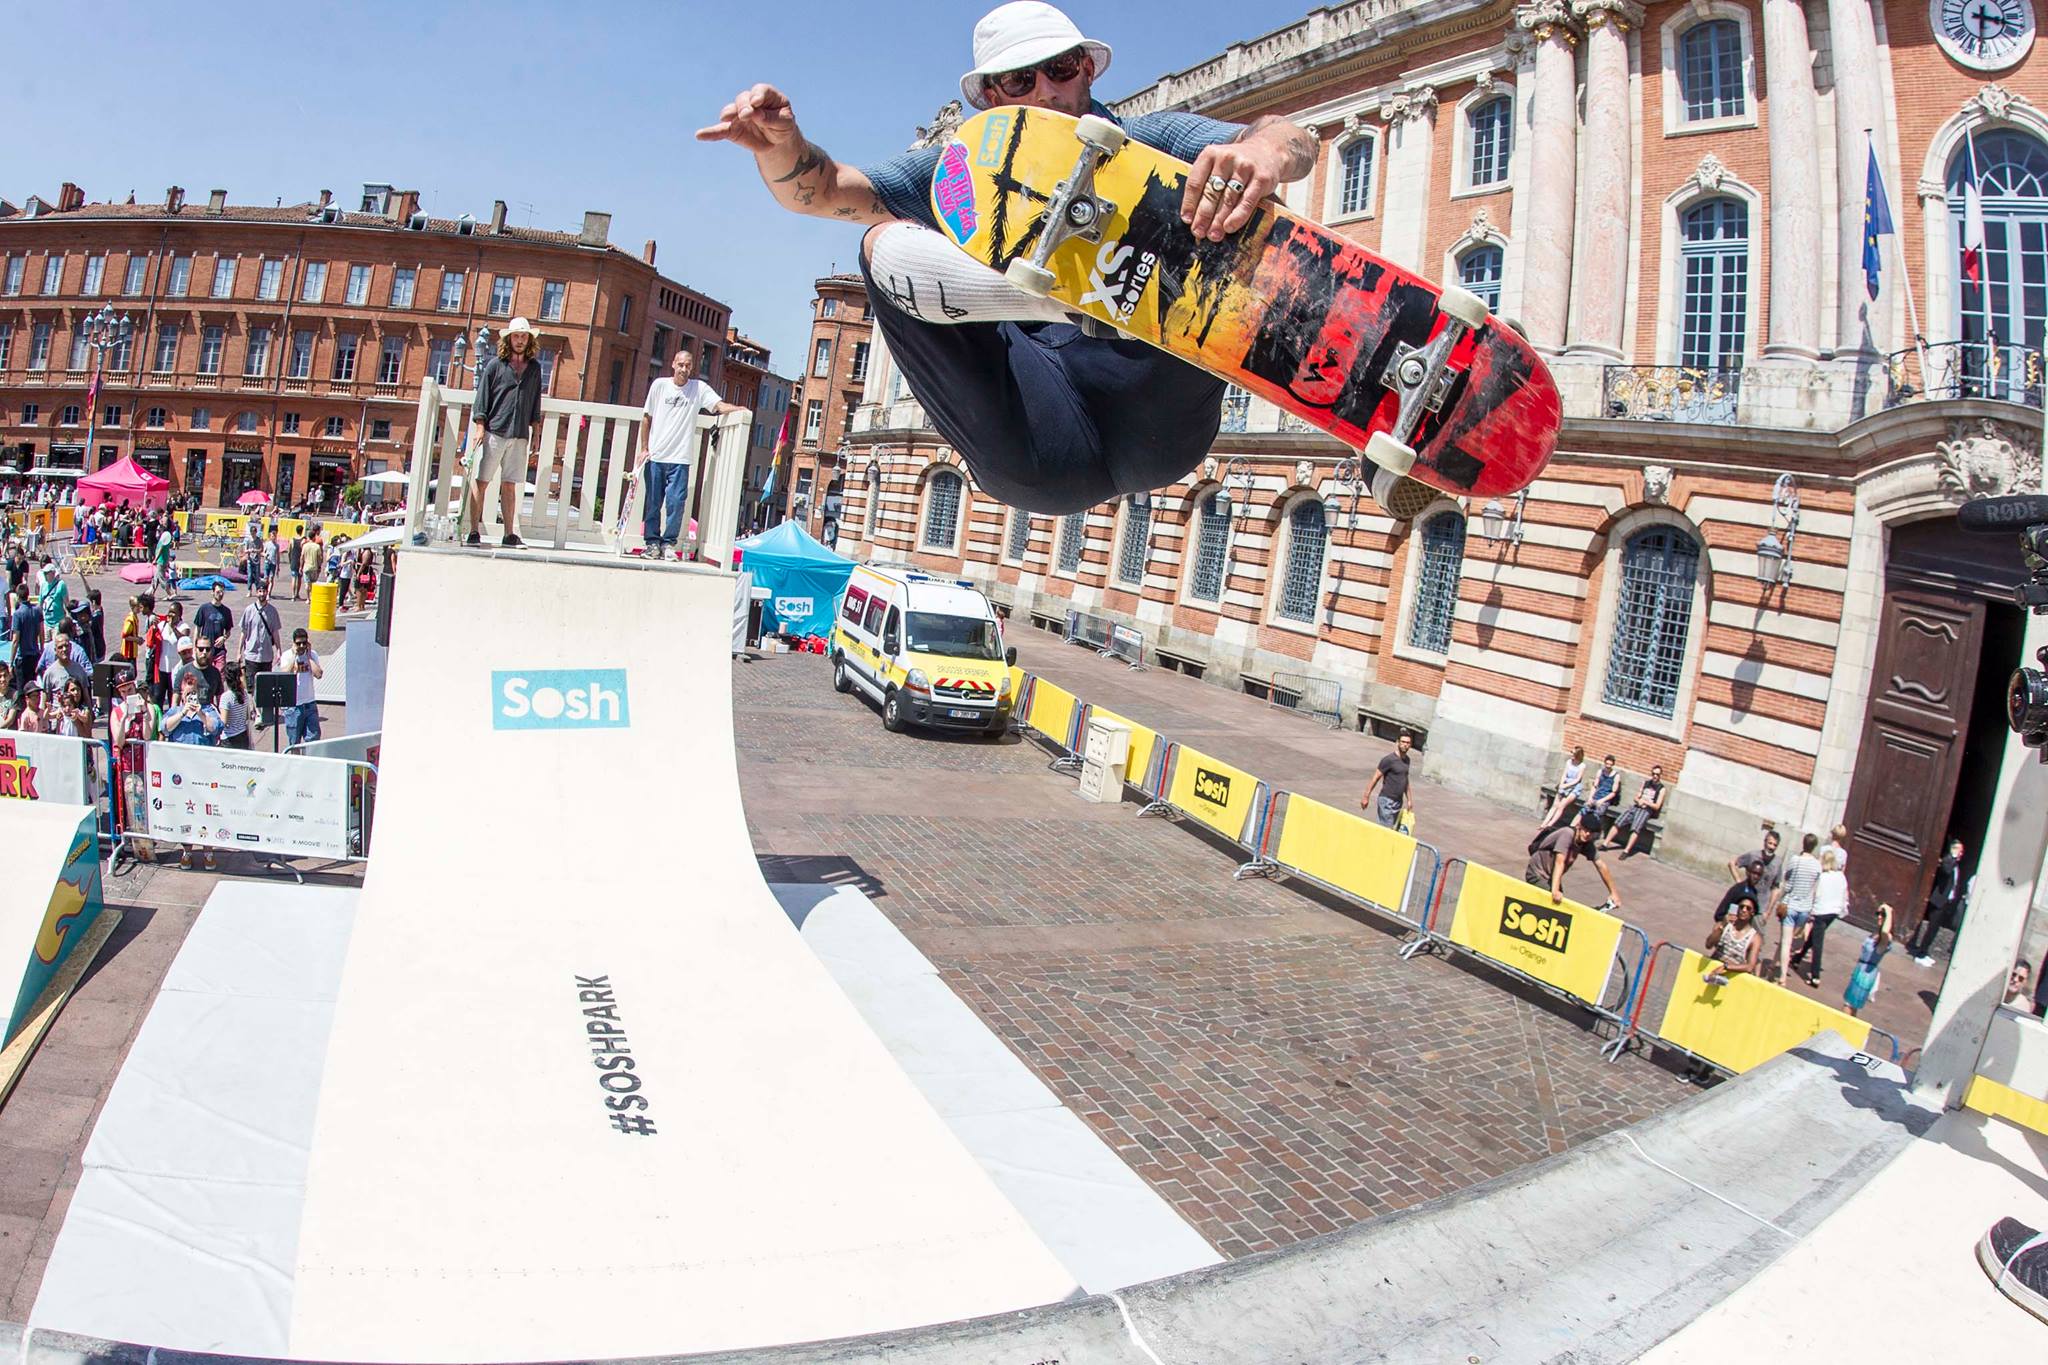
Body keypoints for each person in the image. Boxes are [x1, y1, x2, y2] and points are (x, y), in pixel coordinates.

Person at [699, 3, 1316, 517]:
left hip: (1156, 419)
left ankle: (1358, 397)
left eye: (1062, 69)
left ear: (1087, 73)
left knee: (1222, 197)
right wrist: (784, 149)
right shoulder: (960, 177)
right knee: (877, 245)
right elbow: (828, 190)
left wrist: (1263, 150)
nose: (1047, 90)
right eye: (1021, 81)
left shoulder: (1148, 142)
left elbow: (1293, 136)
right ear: (991, 99)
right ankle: (1057, 297)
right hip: (1034, 444)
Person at [636, 348, 748, 559]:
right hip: (657, 456)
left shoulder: (698, 388)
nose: (684, 369)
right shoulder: (659, 386)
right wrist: (644, 448)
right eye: (680, 365)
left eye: (688, 365)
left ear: (692, 367)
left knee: (676, 503)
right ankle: (652, 543)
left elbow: (718, 406)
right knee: (653, 502)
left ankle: (669, 544)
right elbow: (646, 418)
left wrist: (739, 409)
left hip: (680, 458)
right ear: (673, 364)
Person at [465, 317, 545, 547]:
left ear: (529, 339)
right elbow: (482, 398)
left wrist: (536, 430)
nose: (520, 340)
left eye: (523, 336)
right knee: (482, 481)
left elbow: (535, 401)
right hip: (495, 430)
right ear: (509, 339)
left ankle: (509, 534)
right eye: (516, 336)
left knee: (510, 484)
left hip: (519, 433)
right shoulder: (494, 365)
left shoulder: (535, 368)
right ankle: (473, 531)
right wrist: (480, 425)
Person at [1524, 816, 1621, 912]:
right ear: (1579, 826)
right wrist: (1555, 890)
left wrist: (1614, 893)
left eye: (1591, 833)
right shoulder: (1567, 834)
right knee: (1555, 907)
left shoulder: (1586, 842)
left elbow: (1601, 865)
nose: (1587, 834)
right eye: (1585, 830)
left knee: (1557, 906)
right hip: (1537, 873)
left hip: (1550, 877)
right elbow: (1559, 861)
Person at [1790, 847, 1848, 987]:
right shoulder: (1840, 876)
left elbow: (1816, 894)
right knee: (1814, 937)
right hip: (1833, 912)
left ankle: (1815, 976)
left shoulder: (1822, 877)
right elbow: (1843, 893)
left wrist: (1811, 911)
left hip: (1821, 912)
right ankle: (1797, 958)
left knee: (1818, 943)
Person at [1774, 832, 1824, 983]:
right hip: (1805, 909)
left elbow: (1787, 883)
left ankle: (1782, 977)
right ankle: (1774, 965)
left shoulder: (1795, 860)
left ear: (1803, 843)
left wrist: (1779, 900)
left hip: (1790, 905)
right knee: (1786, 940)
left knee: (1786, 941)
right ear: (1815, 846)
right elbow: (1815, 889)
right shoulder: (1817, 865)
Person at [1908, 838, 1967, 966]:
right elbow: (1946, 870)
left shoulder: (1956, 865)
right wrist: (1952, 856)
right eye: (1959, 850)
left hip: (1946, 902)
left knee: (1935, 930)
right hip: (1938, 901)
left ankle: (1924, 951)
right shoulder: (1948, 861)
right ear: (1953, 850)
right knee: (1931, 928)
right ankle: (1920, 954)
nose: (1961, 853)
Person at [1602, 764, 1668, 856]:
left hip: (1647, 810)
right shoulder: (1646, 783)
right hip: (1637, 806)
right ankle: (1605, 844)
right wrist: (1638, 800)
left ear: (1660, 775)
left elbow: (1657, 806)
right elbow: (1636, 797)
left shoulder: (1661, 789)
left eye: (1657, 774)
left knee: (1635, 828)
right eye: (1653, 774)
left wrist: (1645, 802)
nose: (1655, 776)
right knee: (1619, 821)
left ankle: (1626, 851)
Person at [1843, 903, 1894, 1017]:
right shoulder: (1876, 933)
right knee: (1850, 1005)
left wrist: (1888, 911)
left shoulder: (1886, 937)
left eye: (1883, 914)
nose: (1879, 917)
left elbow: (1885, 931)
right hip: (1861, 969)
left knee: (1849, 1005)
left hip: (1866, 973)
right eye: (1878, 914)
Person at [1359, 732, 1415, 831]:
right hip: (1387, 800)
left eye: (1408, 743)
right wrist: (1366, 797)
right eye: (1403, 742)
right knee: (1386, 830)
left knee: (1389, 829)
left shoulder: (1407, 760)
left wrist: (1409, 799)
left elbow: (1405, 780)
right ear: (1397, 742)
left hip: (1398, 801)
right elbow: (1375, 778)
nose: (1405, 745)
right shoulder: (1389, 760)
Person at [1703, 898, 1763, 986]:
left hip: (1732, 980)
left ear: (1752, 913)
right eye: (1741, 907)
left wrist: (1726, 967)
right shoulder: (1724, 925)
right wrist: (1722, 926)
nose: (1744, 910)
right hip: (1712, 973)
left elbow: (1750, 966)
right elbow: (1708, 945)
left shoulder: (1755, 938)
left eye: (1748, 908)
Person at [1730, 829, 1785, 921]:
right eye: (1770, 843)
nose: (1771, 847)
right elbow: (1732, 863)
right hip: (1743, 900)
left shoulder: (1778, 862)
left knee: (1757, 933)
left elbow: (1776, 888)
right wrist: (1738, 881)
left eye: (1775, 845)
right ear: (1765, 842)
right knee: (1731, 926)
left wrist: (1768, 911)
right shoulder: (1753, 855)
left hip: (1760, 907)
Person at [282, 626, 324, 746]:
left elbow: (319, 674)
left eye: (304, 643)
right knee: (294, 742)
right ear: (293, 643)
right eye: (298, 643)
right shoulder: (287, 655)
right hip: (293, 706)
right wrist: (295, 657)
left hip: (309, 703)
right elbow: (285, 674)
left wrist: (309, 657)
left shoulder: (312, 655)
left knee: (313, 740)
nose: (301, 646)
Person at [238, 580, 281, 676]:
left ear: (267, 592)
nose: (262, 594)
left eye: (264, 591)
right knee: (251, 686)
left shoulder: (272, 611)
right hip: (251, 655)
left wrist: (279, 650)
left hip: (266, 656)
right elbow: (243, 632)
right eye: (260, 591)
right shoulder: (249, 610)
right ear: (256, 592)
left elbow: (275, 633)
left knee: (265, 686)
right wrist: (239, 652)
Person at [1714, 856, 1772, 925]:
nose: (1756, 877)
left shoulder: (1754, 892)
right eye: (1754, 873)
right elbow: (1721, 913)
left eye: (1759, 875)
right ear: (1748, 872)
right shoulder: (1738, 889)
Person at [1540, 745, 1588, 829]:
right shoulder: (1569, 762)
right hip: (1565, 784)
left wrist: (1567, 786)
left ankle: (1550, 824)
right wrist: (1562, 784)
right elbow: (1564, 774)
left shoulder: (1582, 765)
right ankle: (1544, 823)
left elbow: (1577, 779)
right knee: (1555, 805)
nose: (1571, 755)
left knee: (1561, 806)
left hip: (1574, 787)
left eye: (1573, 753)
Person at [218, 663, 251, 749]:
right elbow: (247, 716)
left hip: (229, 738)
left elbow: (224, 722)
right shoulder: (244, 694)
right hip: (243, 735)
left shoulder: (226, 697)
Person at [193, 582, 233, 649]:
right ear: (212, 592)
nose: (220, 594)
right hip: (205, 649)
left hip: (220, 650)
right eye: (218, 592)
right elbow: (197, 629)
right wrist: (195, 648)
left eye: (222, 592)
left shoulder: (227, 611)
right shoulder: (204, 608)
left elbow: (228, 631)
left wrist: (224, 638)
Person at [288, 531, 307, 600]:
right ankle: (297, 594)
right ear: (302, 531)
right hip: (300, 561)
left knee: (293, 578)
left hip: (293, 560)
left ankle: (293, 595)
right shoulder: (303, 541)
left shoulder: (292, 540)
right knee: (299, 578)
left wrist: (290, 560)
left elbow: (289, 551)